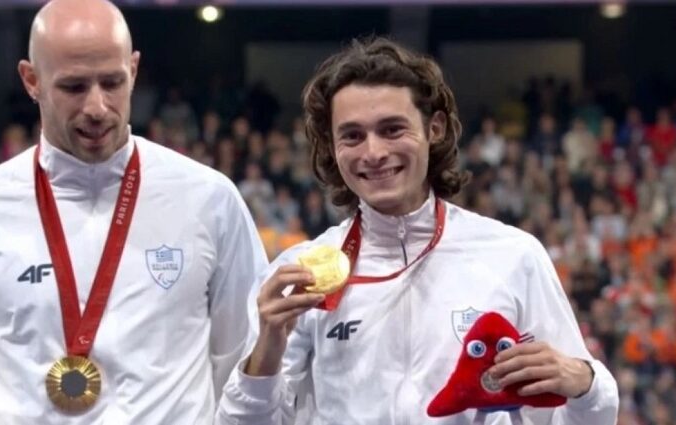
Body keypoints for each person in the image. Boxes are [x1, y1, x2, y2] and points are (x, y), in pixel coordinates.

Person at [216, 37, 619, 424]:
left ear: (435, 128)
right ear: (332, 147)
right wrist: (265, 353)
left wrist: (587, 384)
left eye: (392, 129)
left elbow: (573, 416)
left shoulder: (513, 256)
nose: (374, 152)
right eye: (352, 136)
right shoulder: (301, 276)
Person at [0, 0, 268, 423]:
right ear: (31, 80)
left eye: (112, 82)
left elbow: (247, 362)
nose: (97, 107)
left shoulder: (209, 201)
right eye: (74, 87)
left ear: (133, 70)